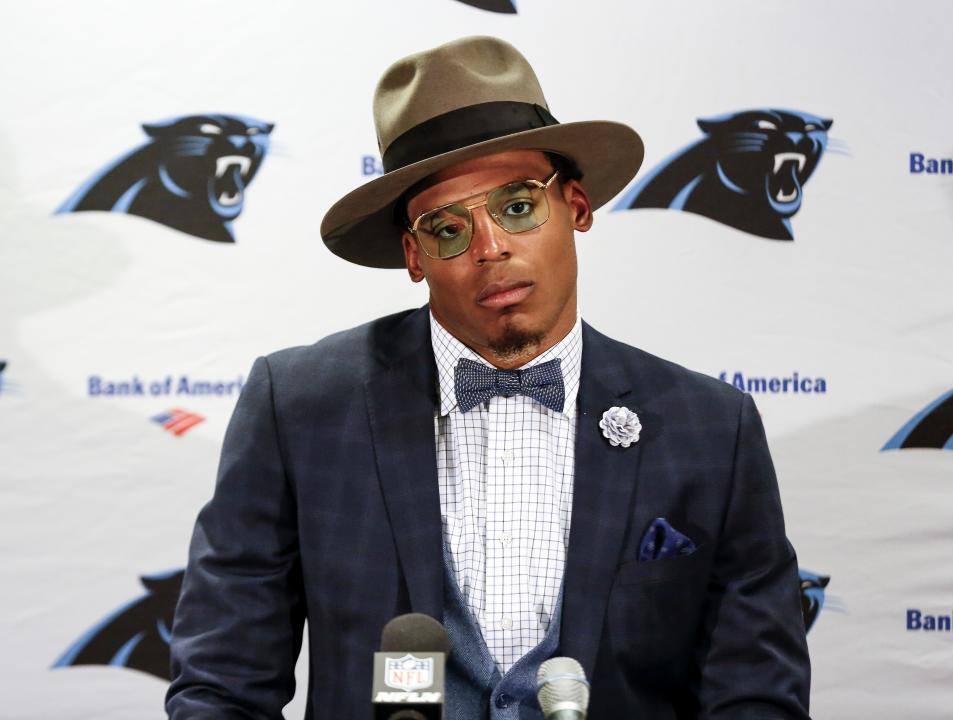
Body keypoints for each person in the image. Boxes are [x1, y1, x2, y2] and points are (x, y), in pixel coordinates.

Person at [166, 36, 811, 719]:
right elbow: (222, 685)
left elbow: (756, 694)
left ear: (577, 208)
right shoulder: (297, 407)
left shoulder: (712, 427)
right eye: (447, 229)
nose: (490, 247)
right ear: (413, 255)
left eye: (518, 206)